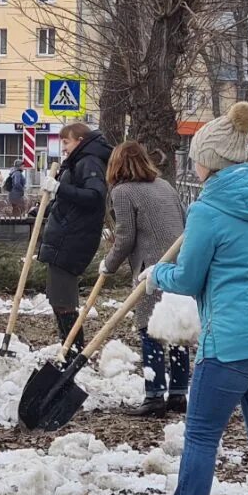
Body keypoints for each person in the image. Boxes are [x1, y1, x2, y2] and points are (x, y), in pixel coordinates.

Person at [149, 101, 248, 495]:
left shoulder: (208, 210)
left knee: (201, 435)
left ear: (209, 161)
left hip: (232, 343)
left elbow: (186, 279)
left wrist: (155, 275)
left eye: (196, 158)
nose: (193, 165)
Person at [100, 141, 189, 417]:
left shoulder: (123, 192)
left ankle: (153, 397)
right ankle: (177, 394)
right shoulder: (165, 186)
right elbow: (184, 222)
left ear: (116, 165)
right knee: (176, 330)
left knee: (149, 329)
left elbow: (125, 237)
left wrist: (108, 265)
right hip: (179, 267)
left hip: (152, 270)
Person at [36, 122, 112, 346]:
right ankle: (68, 347)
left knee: (63, 300)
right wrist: (50, 206)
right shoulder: (79, 162)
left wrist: (60, 188)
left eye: (66, 142)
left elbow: (94, 196)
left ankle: (73, 351)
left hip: (72, 240)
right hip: (65, 237)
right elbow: (72, 204)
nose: (64, 148)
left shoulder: (89, 162)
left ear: (80, 140)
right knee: (58, 298)